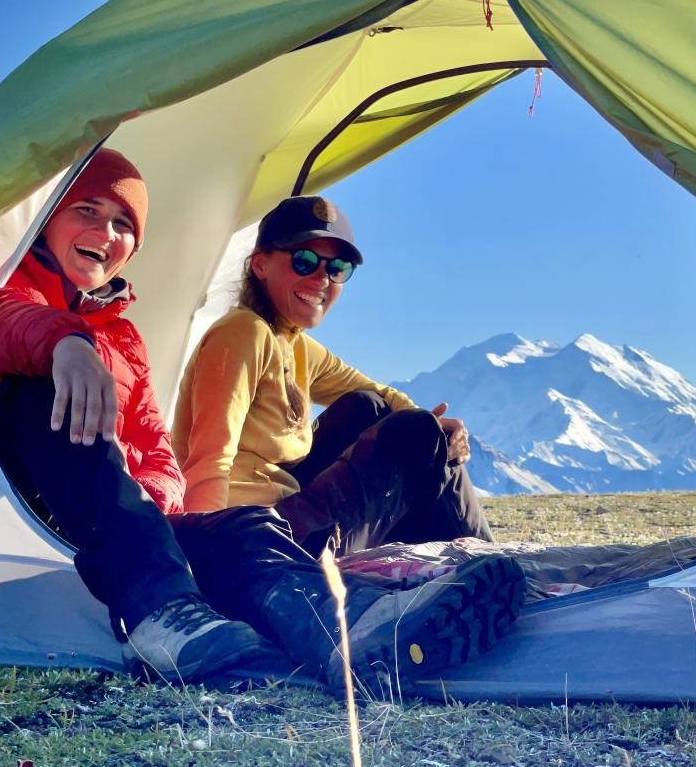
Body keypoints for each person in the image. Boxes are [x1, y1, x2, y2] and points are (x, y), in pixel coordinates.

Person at [0, 149, 524, 687]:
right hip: (79, 507)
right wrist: (66, 343)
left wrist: (167, 515)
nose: (321, 277)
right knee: (41, 389)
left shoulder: (128, 337)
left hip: (168, 518)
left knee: (361, 431)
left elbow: (157, 446)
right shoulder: (16, 294)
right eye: (87, 210)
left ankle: (374, 620)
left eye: (123, 223)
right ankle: (173, 609)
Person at [172, 195, 492, 559]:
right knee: (414, 430)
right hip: (250, 535)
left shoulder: (296, 346)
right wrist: (205, 555)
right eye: (304, 261)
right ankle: (493, 562)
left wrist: (441, 428)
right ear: (260, 264)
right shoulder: (243, 332)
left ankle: (478, 561)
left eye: (338, 268)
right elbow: (209, 458)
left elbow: (380, 393)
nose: (322, 278)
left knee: (369, 408)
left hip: (285, 517)